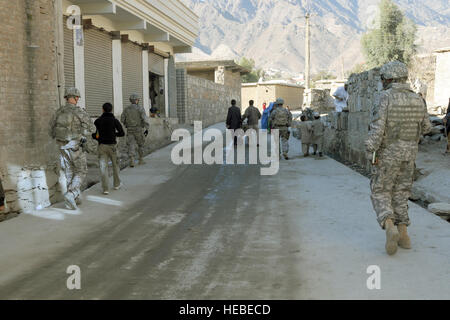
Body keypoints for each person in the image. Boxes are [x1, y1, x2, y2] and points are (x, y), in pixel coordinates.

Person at [365, 60, 432, 256]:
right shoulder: (418, 99)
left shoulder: (384, 98)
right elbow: (427, 128)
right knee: (401, 193)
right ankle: (404, 235)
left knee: (380, 191)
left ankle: (389, 225)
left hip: (388, 154)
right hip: (409, 154)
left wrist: (370, 151)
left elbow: (377, 130)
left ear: (389, 78)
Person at [49, 87, 95, 210]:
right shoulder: (79, 112)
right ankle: (72, 193)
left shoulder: (59, 112)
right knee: (81, 170)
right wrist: (82, 134)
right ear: (74, 98)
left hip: (62, 146)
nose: (78, 99)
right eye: (77, 97)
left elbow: (51, 129)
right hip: (75, 145)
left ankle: (75, 197)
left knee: (69, 171)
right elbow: (92, 128)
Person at [93, 103, 125, 195]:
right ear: (111, 110)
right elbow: (122, 133)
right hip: (112, 147)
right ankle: (116, 184)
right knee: (115, 166)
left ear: (102, 109)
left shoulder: (98, 121)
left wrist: (99, 137)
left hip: (102, 146)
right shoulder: (114, 121)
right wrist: (113, 135)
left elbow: (95, 135)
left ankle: (105, 189)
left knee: (103, 167)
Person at [121, 93, 150, 167]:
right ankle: (141, 159)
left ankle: (132, 160)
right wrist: (147, 128)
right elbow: (144, 119)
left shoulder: (126, 109)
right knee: (141, 145)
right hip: (138, 129)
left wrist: (126, 124)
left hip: (130, 129)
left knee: (131, 145)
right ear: (137, 100)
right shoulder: (140, 109)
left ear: (130, 100)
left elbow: (122, 119)